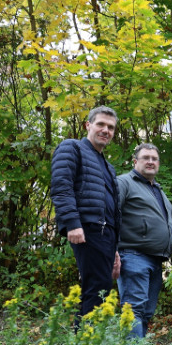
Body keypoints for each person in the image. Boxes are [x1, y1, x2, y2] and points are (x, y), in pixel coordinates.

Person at [50, 106, 122, 317]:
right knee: (96, 289)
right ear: (88, 125)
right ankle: (86, 344)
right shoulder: (72, 148)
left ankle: (90, 342)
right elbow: (61, 186)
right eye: (100, 124)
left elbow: (111, 209)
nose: (106, 130)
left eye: (110, 127)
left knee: (102, 289)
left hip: (106, 235)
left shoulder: (108, 167)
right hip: (87, 229)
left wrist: (115, 247)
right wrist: (72, 223)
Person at [116, 143, 172, 339]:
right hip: (133, 255)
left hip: (156, 259)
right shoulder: (124, 182)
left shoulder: (157, 189)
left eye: (154, 158)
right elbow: (110, 214)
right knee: (134, 308)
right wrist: (112, 250)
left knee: (147, 311)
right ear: (135, 162)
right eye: (146, 158)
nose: (151, 161)